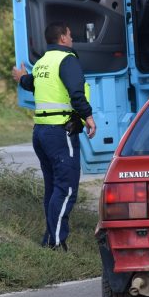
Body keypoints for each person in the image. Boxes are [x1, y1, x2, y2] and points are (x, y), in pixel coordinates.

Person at [11, 21, 96, 251]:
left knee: (53, 187)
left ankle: (50, 239)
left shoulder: (42, 63)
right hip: (60, 131)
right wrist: (88, 116)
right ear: (62, 38)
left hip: (41, 132)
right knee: (66, 188)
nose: (72, 39)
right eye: (70, 35)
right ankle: (56, 243)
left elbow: (32, 84)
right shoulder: (67, 60)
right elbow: (76, 92)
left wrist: (21, 77)